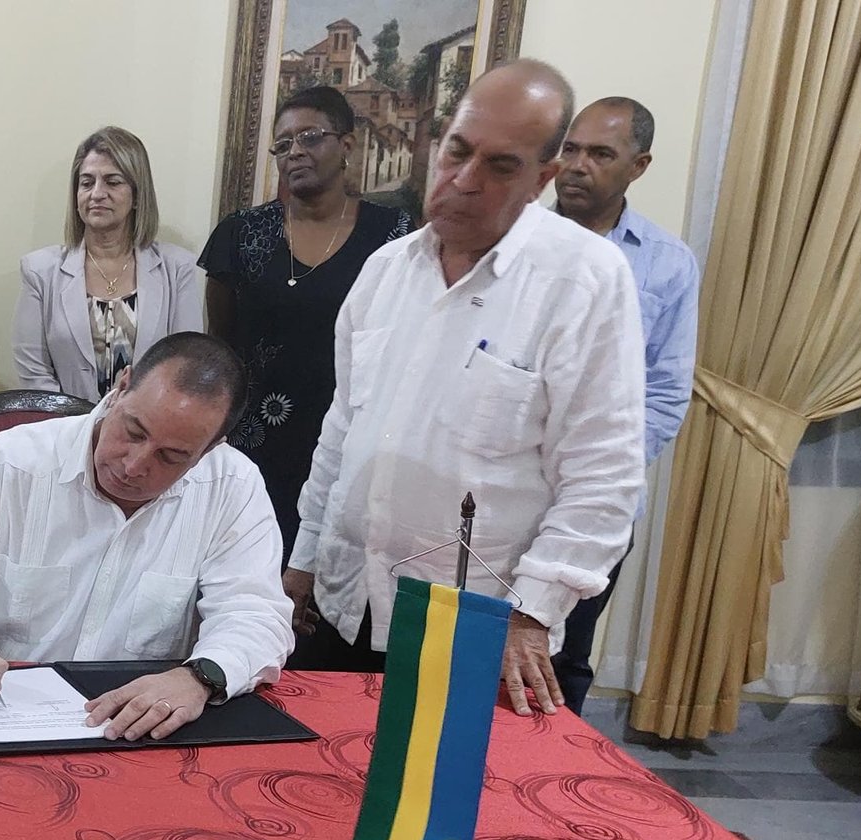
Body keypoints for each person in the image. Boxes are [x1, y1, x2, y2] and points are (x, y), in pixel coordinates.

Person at [285, 60, 646, 716]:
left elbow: (603, 479)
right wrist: (304, 558)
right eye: (458, 151)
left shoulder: (583, 281)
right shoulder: (385, 270)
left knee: (450, 786)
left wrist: (532, 614)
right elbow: (342, 429)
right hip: (346, 602)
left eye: (501, 166)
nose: (465, 179)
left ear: (542, 179)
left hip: (479, 627)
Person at [0, 333, 293, 742]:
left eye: (170, 456)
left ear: (210, 448)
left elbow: (256, 616)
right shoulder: (6, 465)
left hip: (135, 727)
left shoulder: (231, 486)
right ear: (121, 387)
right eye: (134, 431)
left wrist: (198, 679)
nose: (134, 466)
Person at [200, 87, 412, 557]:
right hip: (253, 443)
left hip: (348, 442)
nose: (294, 151)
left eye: (310, 137)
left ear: (347, 145)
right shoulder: (240, 234)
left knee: (330, 577)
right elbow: (220, 347)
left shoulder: (394, 236)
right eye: (283, 144)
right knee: (245, 569)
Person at [551, 97, 701, 714]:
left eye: (600, 154)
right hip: (497, 492)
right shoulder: (511, 240)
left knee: (564, 658)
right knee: (474, 650)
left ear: (638, 166)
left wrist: (604, 475)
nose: (576, 165)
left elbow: (666, 391)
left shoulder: (666, 263)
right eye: (570, 148)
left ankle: (549, 773)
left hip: (598, 502)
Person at [14, 127, 202, 401]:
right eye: (87, 183)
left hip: (149, 424)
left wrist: (132, 421)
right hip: (66, 424)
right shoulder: (39, 271)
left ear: (137, 195)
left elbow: (185, 367)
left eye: (112, 182)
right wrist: (84, 423)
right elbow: (34, 374)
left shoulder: (177, 269)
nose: (97, 193)